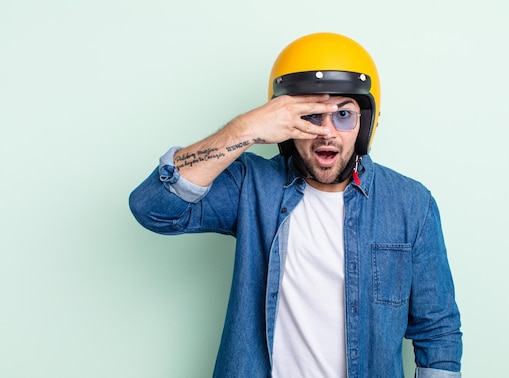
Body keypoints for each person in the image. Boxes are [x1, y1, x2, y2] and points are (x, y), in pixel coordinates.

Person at [129, 32, 462, 378]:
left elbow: (437, 330)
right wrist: (245, 129)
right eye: (311, 115)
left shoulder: (411, 203)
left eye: (343, 115)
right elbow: (152, 207)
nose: (326, 132)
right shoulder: (252, 185)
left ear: (365, 122)